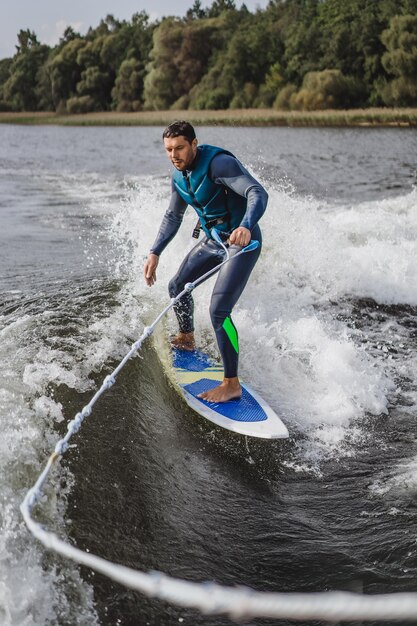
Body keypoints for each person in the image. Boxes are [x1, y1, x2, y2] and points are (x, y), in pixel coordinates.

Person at [144, 121, 268, 403]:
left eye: (179, 148)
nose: (174, 155)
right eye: (168, 150)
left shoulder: (219, 164)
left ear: (194, 144)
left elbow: (257, 193)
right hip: (215, 240)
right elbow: (173, 216)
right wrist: (155, 252)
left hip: (242, 242)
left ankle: (231, 383)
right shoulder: (179, 176)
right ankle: (187, 337)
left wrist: (247, 225)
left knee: (218, 311)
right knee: (177, 286)